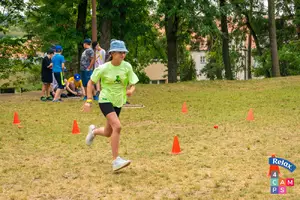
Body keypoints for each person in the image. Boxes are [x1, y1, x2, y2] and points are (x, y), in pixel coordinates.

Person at [82, 39, 139, 172]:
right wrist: (89, 100)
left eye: (124, 53)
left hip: (118, 101)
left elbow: (133, 83)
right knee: (117, 127)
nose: (123, 55)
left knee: (108, 132)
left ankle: (94, 131)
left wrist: (131, 90)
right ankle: (115, 160)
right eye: (120, 52)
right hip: (105, 100)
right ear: (112, 53)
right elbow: (90, 82)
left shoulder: (127, 67)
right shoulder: (103, 68)